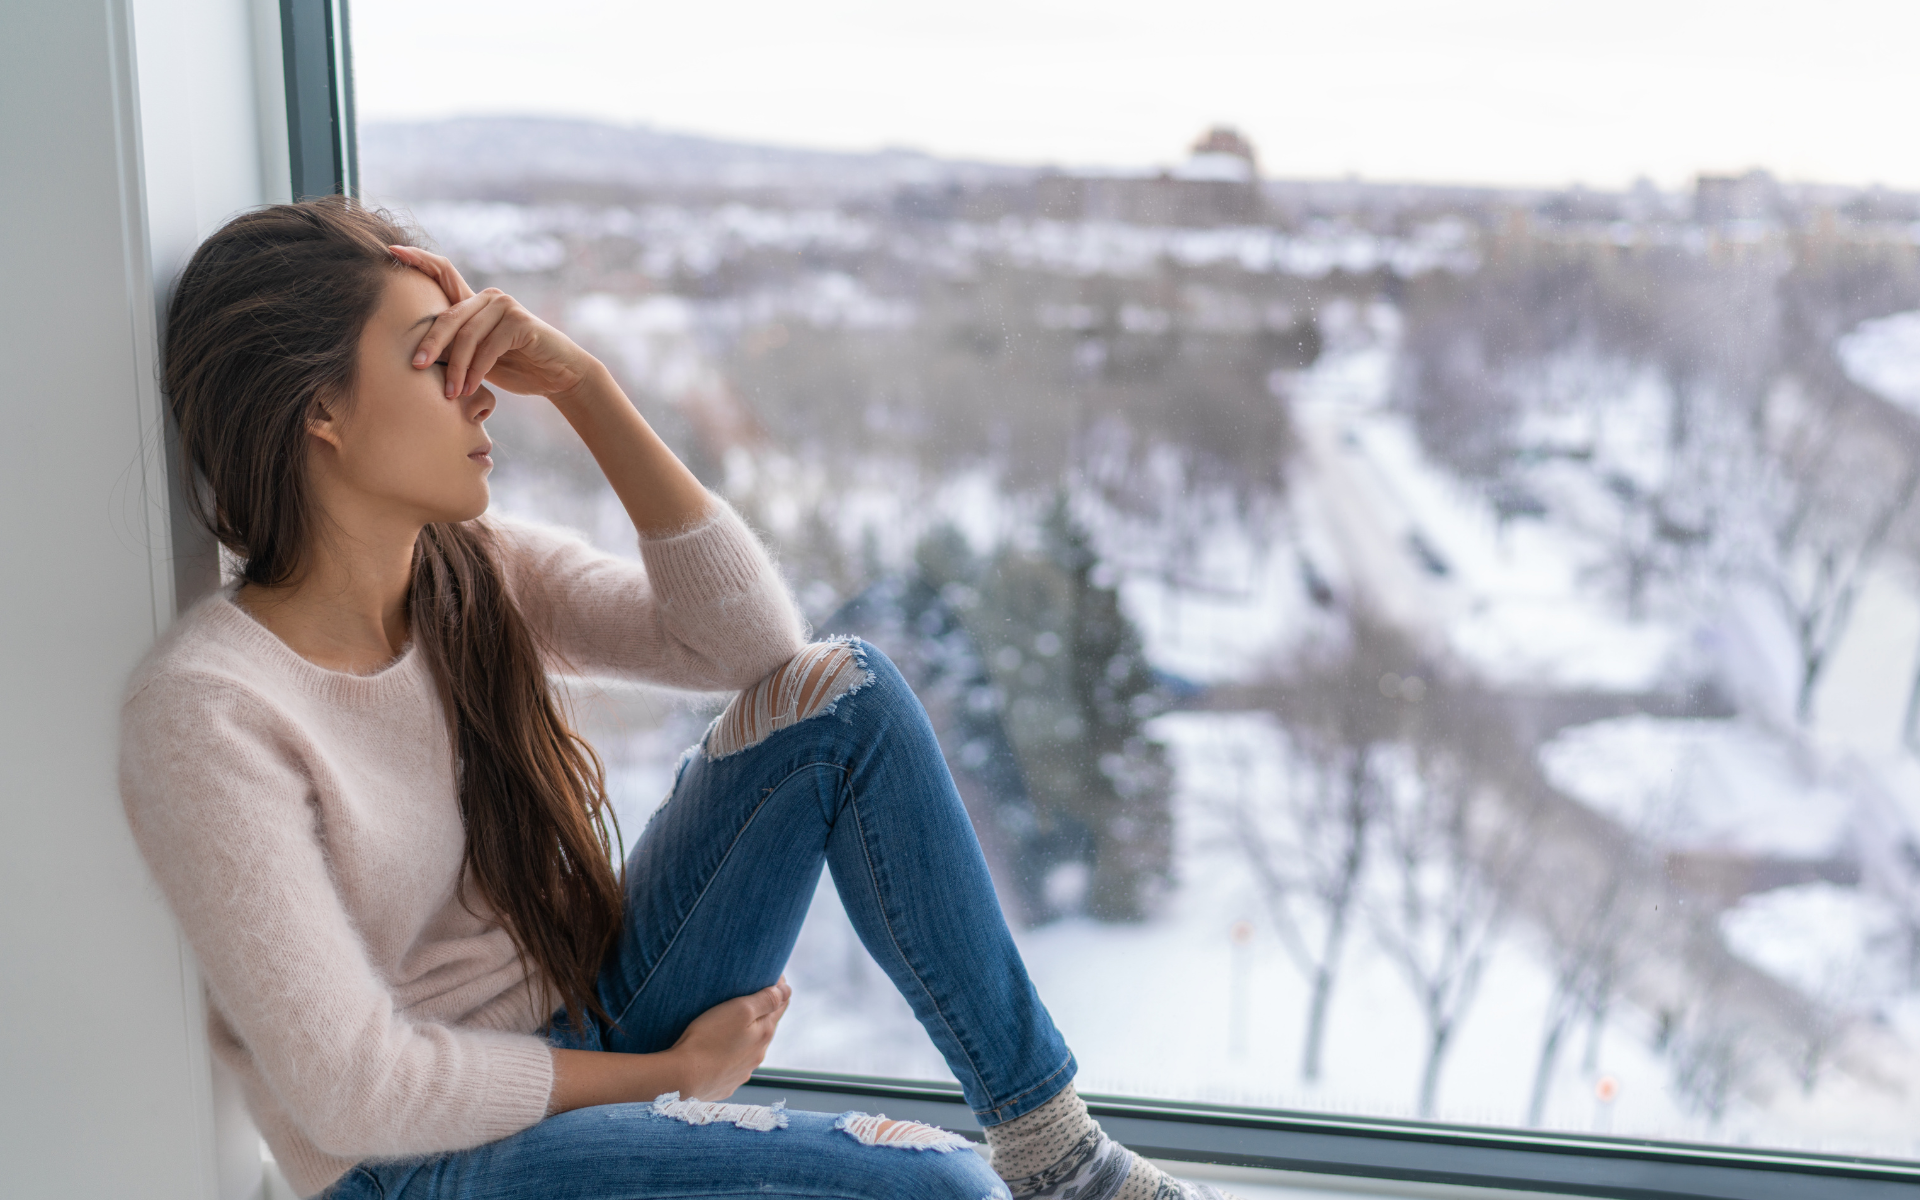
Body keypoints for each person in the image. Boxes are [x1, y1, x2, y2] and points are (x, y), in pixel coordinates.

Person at [119, 197, 1237, 1200]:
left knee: (845, 696)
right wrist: (668, 1076)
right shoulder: (211, 712)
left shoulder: (470, 571)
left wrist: (585, 387)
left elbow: (752, 648)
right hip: (415, 1162)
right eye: (434, 359)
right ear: (322, 409)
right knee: (932, 1187)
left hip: (585, 1011)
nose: (481, 392)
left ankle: (1061, 1158)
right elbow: (361, 1093)